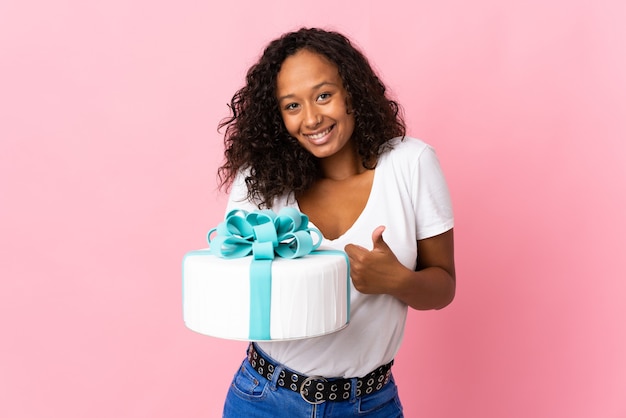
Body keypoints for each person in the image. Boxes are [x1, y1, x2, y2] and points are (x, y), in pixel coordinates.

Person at [216, 27, 455, 417]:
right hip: (263, 398)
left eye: (323, 95)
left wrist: (398, 280)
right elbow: (236, 286)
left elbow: (443, 285)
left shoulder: (411, 164)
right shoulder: (259, 181)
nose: (311, 118)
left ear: (352, 93)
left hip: (368, 404)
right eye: (292, 106)